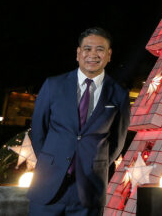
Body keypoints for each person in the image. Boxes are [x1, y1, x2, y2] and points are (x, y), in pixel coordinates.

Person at [29, 27, 131, 216]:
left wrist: (93, 164)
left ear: (109, 55)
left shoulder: (119, 94)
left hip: (89, 189)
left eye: (100, 49)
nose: (93, 54)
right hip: (47, 184)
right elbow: (38, 131)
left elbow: (118, 141)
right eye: (87, 49)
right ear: (78, 53)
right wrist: (51, 160)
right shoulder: (53, 85)